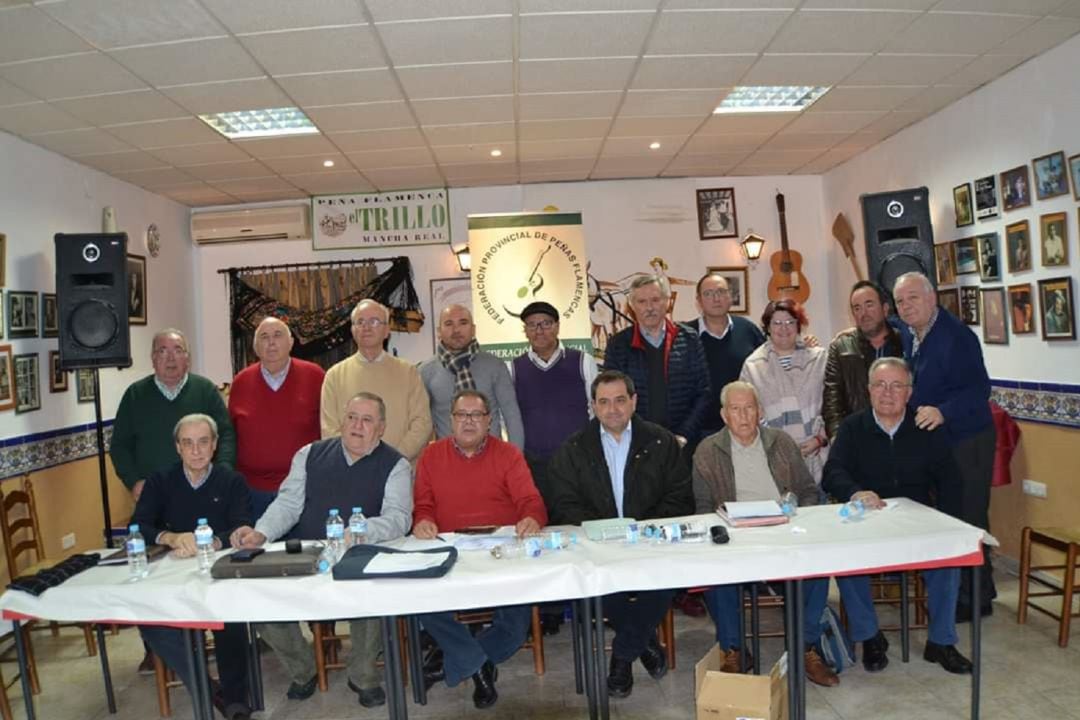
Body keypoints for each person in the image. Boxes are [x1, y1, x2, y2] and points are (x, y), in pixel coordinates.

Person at [231, 393, 413, 708]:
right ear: (342, 420)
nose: (357, 425)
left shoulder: (396, 464)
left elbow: (399, 517)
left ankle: (363, 675)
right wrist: (261, 532)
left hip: (362, 553)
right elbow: (288, 504)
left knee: (370, 590)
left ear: (381, 428)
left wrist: (361, 530)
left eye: (367, 420)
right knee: (258, 597)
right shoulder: (309, 454)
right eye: (352, 417)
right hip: (309, 555)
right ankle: (303, 668)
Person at [546, 370, 693, 698]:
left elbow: (680, 496)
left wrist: (643, 531)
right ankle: (643, 645)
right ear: (593, 407)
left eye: (620, 400)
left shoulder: (661, 441)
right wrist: (602, 533)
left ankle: (623, 657)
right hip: (598, 547)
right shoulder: (573, 448)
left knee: (666, 577)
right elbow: (562, 502)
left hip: (649, 541)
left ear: (633, 401)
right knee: (595, 582)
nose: (613, 409)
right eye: (604, 402)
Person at [823, 358, 973, 675]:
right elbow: (832, 472)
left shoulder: (926, 428)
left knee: (948, 558)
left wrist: (948, 524)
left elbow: (951, 480)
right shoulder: (853, 427)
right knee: (848, 562)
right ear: (868, 390)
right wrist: (855, 491)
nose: (887, 393)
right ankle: (870, 637)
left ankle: (941, 642)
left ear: (909, 392)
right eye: (880, 385)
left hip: (915, 522)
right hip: (868, 521)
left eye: (896, 386)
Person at [692, 382, 837, 687]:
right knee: (716, 573)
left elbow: (809, 491)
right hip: (736, 537)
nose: (743, 416)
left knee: (817, 567)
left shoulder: (781, 443)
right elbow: (703, 509)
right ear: (723, 414)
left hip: (783, 530)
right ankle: (733, 649)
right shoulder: (707, 451)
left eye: (749, 408)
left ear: (759, 412)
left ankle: (806, 647)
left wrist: (796, 511)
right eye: (735, 409)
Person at [412, 390, 547, 710]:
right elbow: (423, 505)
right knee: (419, 600)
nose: (468, 421)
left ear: (489, 420)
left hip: (501, 554)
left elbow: (531, 502)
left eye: (476, 415)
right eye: (461, 415)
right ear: (450, 419)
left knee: (515, 627)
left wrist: (530, 517)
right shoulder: (430, 456)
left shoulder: (509, 454)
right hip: (451, 553)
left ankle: (453, 660)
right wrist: (423, 521)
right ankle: (477, 663)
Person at [132, 414, 253, 720]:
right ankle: (207, 687)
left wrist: (212, 542)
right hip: (172, 573)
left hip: (218, 570)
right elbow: (139, 526)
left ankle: (235, 697)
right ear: (178, 448)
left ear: (214, 446)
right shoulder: (160, 480)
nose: (196, 451)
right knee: (150, 620)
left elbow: (243, 527)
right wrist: (170, 537)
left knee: (229, 613)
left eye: (203, 442)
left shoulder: (232, 481)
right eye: (188, 443)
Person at [893, 272, 995, 620]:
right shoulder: (914, 334)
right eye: (900, 301)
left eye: (913, 298)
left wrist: (943, 411)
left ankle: (975, 601)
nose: (906, 307)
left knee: (969, 519)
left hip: (968, 439)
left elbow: (979, 389)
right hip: (942, 443)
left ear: (932, 297)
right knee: (953, 518)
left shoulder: (956, 336)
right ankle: (978, 590)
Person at [111, 329, 236, 503]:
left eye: (178, 350)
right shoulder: (135, 395)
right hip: (155, 494)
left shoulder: (205, 390)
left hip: (205, 491)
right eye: (162, 351)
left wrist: (223, 472)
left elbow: (226, 435)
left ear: (187, 358)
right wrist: (134, 481)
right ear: (153, 358)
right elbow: (119, 446)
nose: (170, 358)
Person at [228, 317, 324, 518]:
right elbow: (230, 434)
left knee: (303, 548)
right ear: (255, 347)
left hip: (303, 487)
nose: (271, 342)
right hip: (253, 491)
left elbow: (328, 429)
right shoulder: (240, 382)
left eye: (278, 335)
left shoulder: (315, 376)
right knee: (257, 547)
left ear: (291, 342)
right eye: (264, 337)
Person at [604, 274, 711, 448]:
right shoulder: (619, 344)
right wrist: (638, 436)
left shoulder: (689, 338)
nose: (649, 307)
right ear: (631, 306)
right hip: (636, 444)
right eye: (642, 301)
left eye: (655, 300)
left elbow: (703, 393)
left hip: (683, 444)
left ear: (667, 302)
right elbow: (612, 397)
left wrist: (684, 434)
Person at [321, 299, 432, 461]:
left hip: (398, 469)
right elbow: (329, 430)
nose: (366, 327)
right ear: (352, 330)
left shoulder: (409, 372)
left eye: (374, 321)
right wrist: (358, 461)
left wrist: (393, 459)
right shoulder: (334, 375)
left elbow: (422, 423)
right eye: (360, 322)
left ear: (387, 330)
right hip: (351, 471)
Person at [509, 300, 598, 497]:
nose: (539, 330)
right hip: (534, 465)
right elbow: (508, 417)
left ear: (557, 326)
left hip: (578, 461)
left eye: (546, 323)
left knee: (578, 518)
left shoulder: (583, 361)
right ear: (525, 331)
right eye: (532, 325)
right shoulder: (514, 368)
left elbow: (596, 410)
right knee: (541, 521)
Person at [739, 300, 829, 483]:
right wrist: (774, 444)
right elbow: (747, 413)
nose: (784, 328)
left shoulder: (819, 358)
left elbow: (833, 405)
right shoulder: (753, 366)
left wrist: (821, 439)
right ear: (767, 327)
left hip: (817, 454)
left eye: (790, 322)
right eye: (777, 323)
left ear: (799, 325)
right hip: (772, 459)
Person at [420, 304, 524, 447]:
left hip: (492, 459)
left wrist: (515, 460)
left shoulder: (494, 365)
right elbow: (422, 424)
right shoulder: (425, 371)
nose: (456, 330)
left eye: (463, 323)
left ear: (473, 329)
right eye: (449, 324)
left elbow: (511, 415)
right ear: (439, 332)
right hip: (448, 461)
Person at [685, 271, 765, 438]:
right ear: (699, 301)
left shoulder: (748, 329)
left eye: (721, 292)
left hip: (745, 425)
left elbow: (771, 360)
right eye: (708, 294)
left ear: (730, 296)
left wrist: (803, 344)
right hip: (700, 429)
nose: (716, 298)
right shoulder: (685, 335)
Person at [823, 281, 903, 442]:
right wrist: (838, 438)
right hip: (859, 439)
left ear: (885, 309)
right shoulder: (840, 347)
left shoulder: (904, 342)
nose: (863, 313)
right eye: (857, 308)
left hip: (901, 436)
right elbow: (832, 400)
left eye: (869, 305)